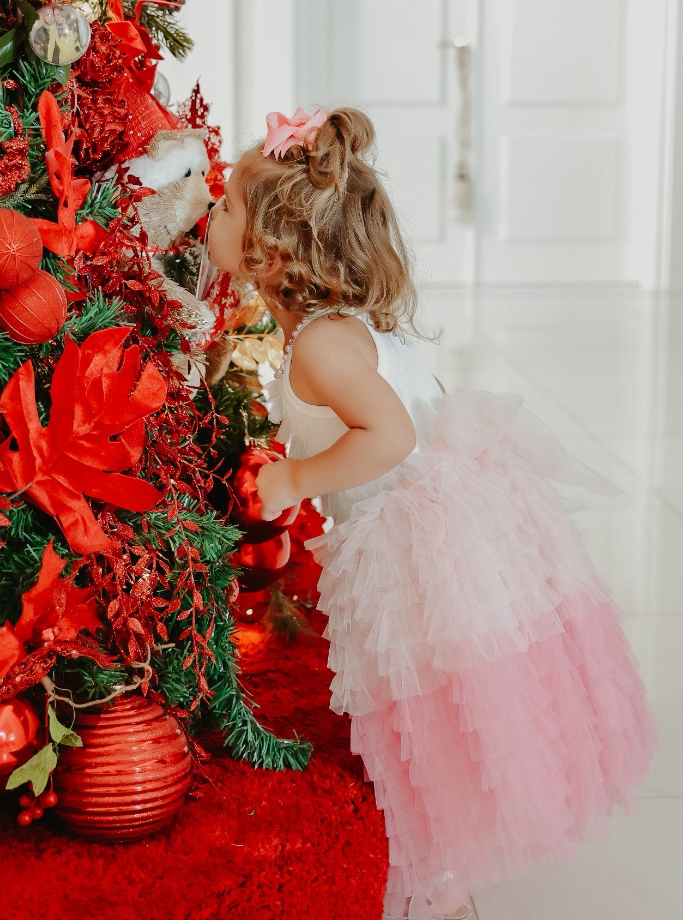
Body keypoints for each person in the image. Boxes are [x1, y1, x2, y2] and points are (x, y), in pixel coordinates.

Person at [206, 105, 659, 920]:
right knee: (453, 692)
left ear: (270, 248)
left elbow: (393, 431)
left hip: (413, 540)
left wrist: (295, 476)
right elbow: (426, 402)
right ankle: (443, 860)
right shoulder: (334, 328)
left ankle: (436, 871)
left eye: (227, 207)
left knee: (415, 696)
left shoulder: (317, 345)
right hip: (446, 517)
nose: (213, 214)